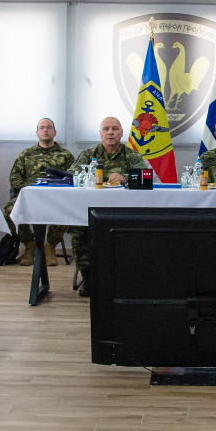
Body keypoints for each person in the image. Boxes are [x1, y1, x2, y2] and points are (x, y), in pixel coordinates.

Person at [69, 117, 144, 297]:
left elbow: (144, 175)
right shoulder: (89, 154)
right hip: (90, 210)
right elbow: (72, 174)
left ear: (121, 133)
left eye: (115, 129)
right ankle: (89, 279)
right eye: (106, 129)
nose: (110, 132)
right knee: (77, 231)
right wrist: (97, 178)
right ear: (100, 133)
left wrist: (125, 178)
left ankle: (125, 278)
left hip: (122, 211)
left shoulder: (131, 155)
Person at [4, 117, 75, 267]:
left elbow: (73, 177)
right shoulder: (26, 154)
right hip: (30, 197)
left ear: (55, 132)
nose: (45, 130)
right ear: (37, 132)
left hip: (56, 198)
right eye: (42, 128)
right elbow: (14, 178)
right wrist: (30, 190)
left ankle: (50, 246)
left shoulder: (65, 155)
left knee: (68, 210)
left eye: (49, 127)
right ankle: (30, 245)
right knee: (9, 210)